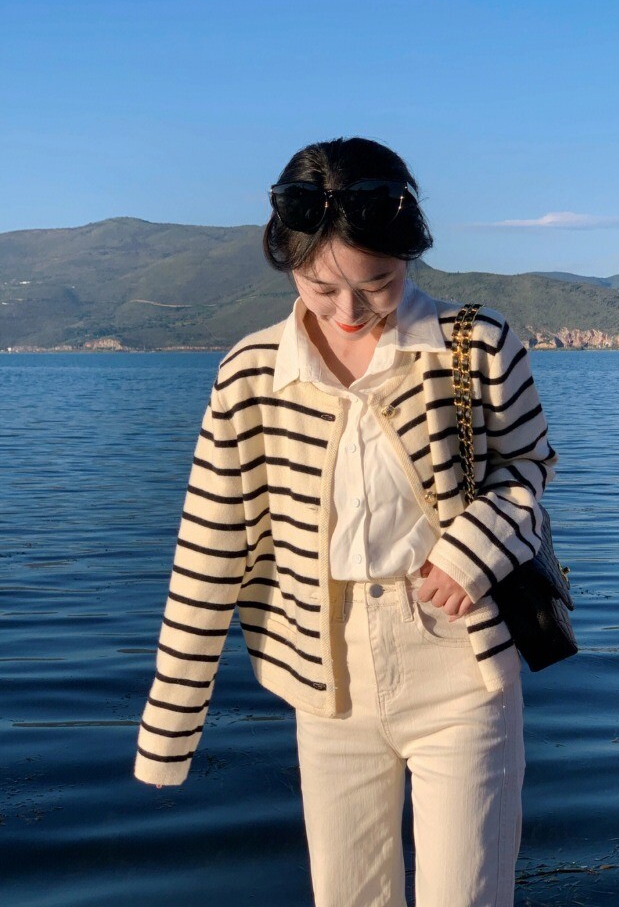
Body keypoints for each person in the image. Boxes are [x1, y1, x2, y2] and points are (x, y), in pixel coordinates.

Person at [134, 136, 558, 907]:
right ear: (286, 259)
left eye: (378, 283)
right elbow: (209, 548)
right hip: (324, 678)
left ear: (410, 253)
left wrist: (474, 550)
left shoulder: (479, 345)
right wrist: (170, 724)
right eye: (321, 286)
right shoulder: (250, 374)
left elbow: (529, 467)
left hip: (462, 665)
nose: (349, 311)